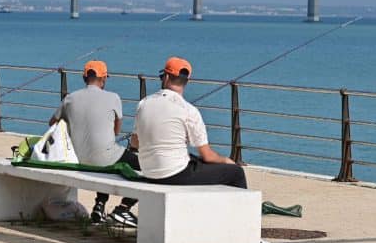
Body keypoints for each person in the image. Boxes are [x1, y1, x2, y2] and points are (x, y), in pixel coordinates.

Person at [130, 57, 247, 189]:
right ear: (187, 81)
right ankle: (246, 210)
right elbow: (207, 156)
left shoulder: (143, 103)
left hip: (148, 171)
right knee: (237, 173)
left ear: (166, 77)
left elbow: (134, 143)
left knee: (195, 161)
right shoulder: (189, 110)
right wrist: (226, 161)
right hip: (175, 174)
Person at [50, 60, 140, 227]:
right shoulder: (113, 97)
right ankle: (123, 208)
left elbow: (52, 124)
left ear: (85, 77)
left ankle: (100, 205)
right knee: (146, 166)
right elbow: (116, 131)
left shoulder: (70, 98)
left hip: (77, 157)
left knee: (104, 155)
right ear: (104, 78)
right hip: (104, 157)